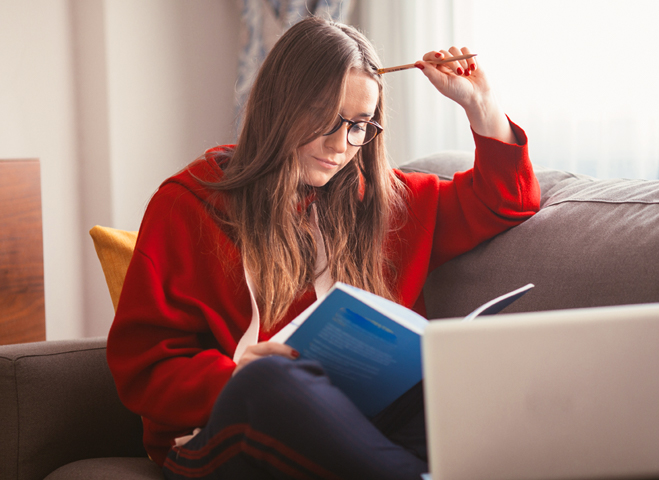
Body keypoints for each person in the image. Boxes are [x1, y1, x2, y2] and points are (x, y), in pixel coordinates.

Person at [105, 16, 539, 480]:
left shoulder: (381, 201)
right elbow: (142, 366)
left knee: (454, 386)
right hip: (219, 432)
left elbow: (507, 199)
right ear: (280, 105)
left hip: (359, 427)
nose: (340, 145)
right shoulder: (188, 203)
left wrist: (481, 104)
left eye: (358, 125)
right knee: (268, 382)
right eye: (326, 120)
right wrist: (231, 374)